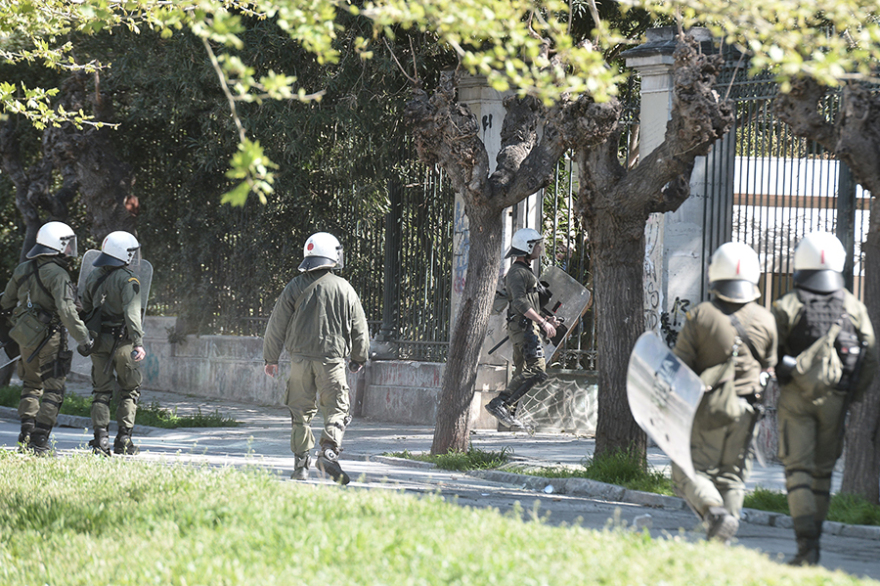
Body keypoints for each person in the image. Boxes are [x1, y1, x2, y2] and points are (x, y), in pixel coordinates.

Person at [772, 231, 877, 566]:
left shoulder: (788, 304)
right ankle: (814, 540)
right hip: (837, 399)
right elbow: (871, 356)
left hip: (795, 398)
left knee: (798, 470)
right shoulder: (854, 306)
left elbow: (769, 350)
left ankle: (806, 548)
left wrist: (780, 377)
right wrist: (850, 395)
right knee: (822, 474)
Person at [670, 242, 777, 543]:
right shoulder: (766, 319)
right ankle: (722, 543)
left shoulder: (700, 315)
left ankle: (714, 513)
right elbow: (770, 368)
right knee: (732, 477)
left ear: (714, 273)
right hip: (748, 410)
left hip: (708, 408)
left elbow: (681, 367)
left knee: (688, 470)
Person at [263, 232, 370, 485]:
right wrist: (358, 357)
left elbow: (276, 324)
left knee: (300, 413)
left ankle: (301, 467)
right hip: (332, 362)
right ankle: (329, 453)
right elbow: (359, 327)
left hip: (299, 361)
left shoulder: (294, 286)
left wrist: (271, 358)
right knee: (336, 409)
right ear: (333, 256)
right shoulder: (345, 288)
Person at [0, 221, 92, 454]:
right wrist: (84, 338)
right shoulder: (59, 274)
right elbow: (67, 311)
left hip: (25, 337)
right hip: (51, 337)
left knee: (31, 385)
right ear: (56, 245)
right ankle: (40, 441)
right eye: (67, 244)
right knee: (54, 389)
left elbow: (6, 303)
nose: (70, 249)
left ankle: (26, 435)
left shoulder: (23, 269)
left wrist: (21, 323)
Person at [79, 231, 147, 456]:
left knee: (100, 392)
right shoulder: (129, 280)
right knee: (129, 391)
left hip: (98, 341)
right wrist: (138, 342)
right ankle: (124, 441)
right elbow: (132, 314)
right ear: (123, 255)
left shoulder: (92, 276)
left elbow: (86, 309)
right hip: (123, 343)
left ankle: (101, 441)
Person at [485, 228, 559, 429]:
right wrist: (542, 323)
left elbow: (530, 305)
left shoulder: (525, 272)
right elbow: (519, 303)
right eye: (536, 244)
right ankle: (499, 403)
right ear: (527, 247)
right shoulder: (517, 273)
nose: (540, 248)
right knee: (537, 370)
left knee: (522, 371)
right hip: (524, 329)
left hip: (526, 327)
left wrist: (545, 320)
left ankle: (506, 414)